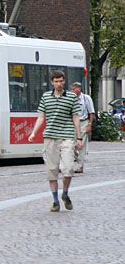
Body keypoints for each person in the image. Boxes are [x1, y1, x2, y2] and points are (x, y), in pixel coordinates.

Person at [28, 70, 83, 212]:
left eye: (61, 81)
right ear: (52, 82)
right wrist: (34, 132)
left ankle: (65, 193)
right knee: (51, 170)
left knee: (68, 168)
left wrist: (79, 137)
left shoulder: (71, 97)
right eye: (56, 81)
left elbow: (76, 117)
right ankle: (55, 200)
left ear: (64, 81)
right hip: (50, 137)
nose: (59, 84)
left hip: (67, 136)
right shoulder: (46, 97)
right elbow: (41, 116)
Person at [71, 81, 95, 173]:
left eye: (74, 89)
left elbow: (91, 112)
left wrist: (89, 124)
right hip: (73, 123)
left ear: (79, 89)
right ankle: (75, 160)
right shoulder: (71, 98)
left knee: (81, 144)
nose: (73, 91)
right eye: (72, 89)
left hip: (83, 122)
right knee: (71, 144)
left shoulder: (86, 98)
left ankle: (80, 166)